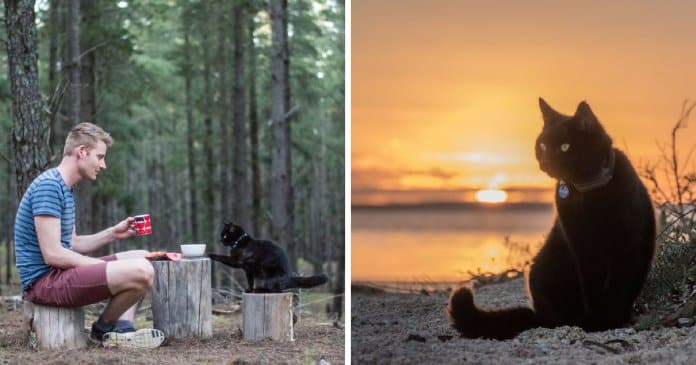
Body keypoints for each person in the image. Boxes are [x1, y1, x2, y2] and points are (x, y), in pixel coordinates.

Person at [14, 122, 164, 349]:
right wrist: (98, 268)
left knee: (144, 257)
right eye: (100, 156)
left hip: (60, 275)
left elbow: (72, 243)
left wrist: (113, 233)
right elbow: (53, 255)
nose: (103, 165)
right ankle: (102, 331)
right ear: (81, 151)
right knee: (141, 271)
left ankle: (122, 329)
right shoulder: (49, 187)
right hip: (44, 283)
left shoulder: (65, 187)